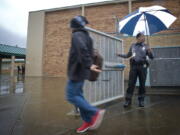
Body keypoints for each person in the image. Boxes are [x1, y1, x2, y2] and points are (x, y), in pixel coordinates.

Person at [66, 15, 106, 133]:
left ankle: (95, 112)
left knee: (71, 96)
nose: (70, 28)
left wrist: (89, 64)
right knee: (79, 96)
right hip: (81, 71)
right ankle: (88, 121)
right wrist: (89, 64)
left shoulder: (77, 35)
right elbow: (86, 50)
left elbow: (82, 49)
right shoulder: (87, 36)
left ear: (74, 25)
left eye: (71, 25)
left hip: (76, 72)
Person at [117, 32, 154, 107]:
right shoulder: (133, 46)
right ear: (137, 38)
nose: (144, 38)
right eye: (142, 36)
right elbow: (128, 55)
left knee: (142, 84)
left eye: (144, 36)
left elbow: (152, 57)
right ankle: (128, 100)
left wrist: (150, 52)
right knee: (131, 84)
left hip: (142, 67)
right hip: (133, 67)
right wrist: (119, 54)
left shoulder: (146, 46)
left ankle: (141, 100)